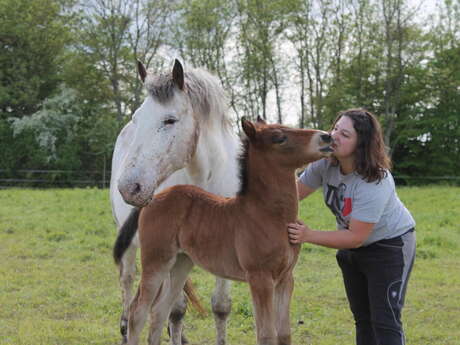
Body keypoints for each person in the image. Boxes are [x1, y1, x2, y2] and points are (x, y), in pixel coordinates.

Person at [287, 109, 416, 345]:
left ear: (362, 144)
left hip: (389, 246)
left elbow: (356, 236)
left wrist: (308, 235)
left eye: (345, 134)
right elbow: (290, 196)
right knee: (363, 319)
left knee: (385, 320)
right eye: (335, 128)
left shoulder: (375, 180)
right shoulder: (324, 165)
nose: (334, 136)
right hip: (352, 249)